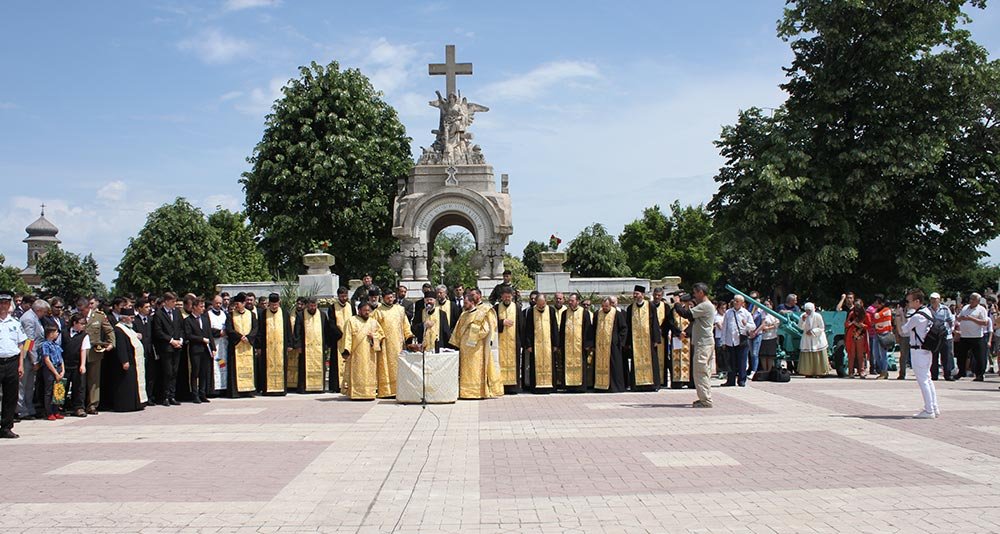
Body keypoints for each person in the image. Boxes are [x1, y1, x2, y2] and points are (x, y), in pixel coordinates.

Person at [452, 290, 503, 399]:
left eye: (466, 303)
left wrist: (473, 337)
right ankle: (466, 392)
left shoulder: (480, 314)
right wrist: (458, 342)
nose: (464, 305)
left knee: (476, 369)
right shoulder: (463, 314)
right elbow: (457, 329)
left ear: (472, 302)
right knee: (465, 370)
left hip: (476, 347)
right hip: (464, 348)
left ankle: (477, 392)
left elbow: (486, 330)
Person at [672, 283, 716, 408]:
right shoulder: (705, 306)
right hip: (704, 343)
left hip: (703, 344)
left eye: (695, 293)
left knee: (700, 372)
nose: (694, 295)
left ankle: (705, 401)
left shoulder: (705, 306)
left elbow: (686, 315)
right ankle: (704, 397)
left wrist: (677, 303)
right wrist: (686, 304)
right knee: (703, 372)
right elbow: (692, 318)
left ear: (701, 292)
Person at [900, 289, 939, 419]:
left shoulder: (917, 316)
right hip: (926, 349)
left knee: (923, 380)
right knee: (927, 379)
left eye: (909, 301)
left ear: (917, 301)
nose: (908, 303)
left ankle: (929, 410)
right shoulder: (927, 312)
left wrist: (900, 316)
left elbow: (904, 330)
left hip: (918, 350)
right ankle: (933, 407)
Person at [372, 288, 415, 398]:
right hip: (385, 345)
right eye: (388, 298)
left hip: (399, 344)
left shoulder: (400, 309)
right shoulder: (378, 312)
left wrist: (409, 336)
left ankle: (400, 390)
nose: (390, 299)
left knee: (399, 366)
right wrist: (378, 339)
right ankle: (386, 391)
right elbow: (373, 327)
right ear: (383, 299)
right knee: (386, 367)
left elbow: (405, 324)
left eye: (391, 297)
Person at [340, 301, 384, 400]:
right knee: (357, 373)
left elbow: (381, 335)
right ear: (359, 311)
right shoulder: (351, 321)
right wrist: (346, 350)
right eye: (365, 310)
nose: (367, 312)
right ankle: (356, 393)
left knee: (369, 373)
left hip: (369, 354)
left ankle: (369, 393)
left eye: (368, 310)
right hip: (356, 354)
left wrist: (374, 336)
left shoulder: (373, 322)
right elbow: (347, 337)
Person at [294, 297, 339, 393]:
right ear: (307, 305)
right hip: (305, 348)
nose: (312, 308)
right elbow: (297, 331)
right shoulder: (301, 315)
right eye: (311, 306)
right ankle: (304, 388)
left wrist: (326, 345)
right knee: (303, 367)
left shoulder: (322, 315)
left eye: (314, 306)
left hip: (319, 347)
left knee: (320, 366)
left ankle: (319, 387)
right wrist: (298, 345)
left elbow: (326, 331)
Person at [0, 291, 28, 438]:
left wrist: (20, 364)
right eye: (1, 303)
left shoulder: (15, 323)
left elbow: (21, 344)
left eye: (6, 303)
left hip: (12, 361)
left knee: (11, 396)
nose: (3, 306)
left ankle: (6, 427)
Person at [625, 286, 662, 391]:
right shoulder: (630, 308)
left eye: (637, 294)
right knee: (635, 361)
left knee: (652, 361)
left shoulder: (650, 306)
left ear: (642, 295)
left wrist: (656, 339)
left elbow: (655, 323)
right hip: (635, 341)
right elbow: (628, 325)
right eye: (634, 293)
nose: (635, 296)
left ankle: (652, 385)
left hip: (649, 340)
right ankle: (637, 385)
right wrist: (628, 342)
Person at [111, 308, 147, 412]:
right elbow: (121, 346)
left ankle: (137, 404)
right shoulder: (119, 329)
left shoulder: (129, 328)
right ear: (124, 318)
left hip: (134, 361)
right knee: (125, 384)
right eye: (131, 318)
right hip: (127, 362)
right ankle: (126, 405)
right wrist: (124, 361)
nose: (133, 320)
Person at [523, 293, 559, 393]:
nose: (541, 307)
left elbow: (554, 327)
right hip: (536, 345)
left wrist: (555, 344)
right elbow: (528, 329)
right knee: (535, 366)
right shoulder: (531, 311)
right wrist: (528, 345)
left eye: (543, 305)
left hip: (548, 345)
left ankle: (550, 387)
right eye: (539, 305)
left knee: (550, 365)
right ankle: (536, 388)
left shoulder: (551, 310)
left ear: (546, 302)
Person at [17, 298, 47, 421]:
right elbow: (29, 341)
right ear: (39, 310)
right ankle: (21, 410)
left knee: (30, 385)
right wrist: (34, 359)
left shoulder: (34, 317)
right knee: (23, 385)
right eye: (44, 312)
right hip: (27, 357)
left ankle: (29, 408)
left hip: (32, 356)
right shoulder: (29, 318)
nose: (44, 315)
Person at [84, 296, 115, 413]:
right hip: (80, 352)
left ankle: (92, 404)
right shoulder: (76, 316)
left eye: (91, 303)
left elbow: (109, 330)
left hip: (94, 352)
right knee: (80, 380)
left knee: (94, 380)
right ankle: (79, 404)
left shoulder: (99, 316)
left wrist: (111, 343)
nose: (90, 306)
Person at [591, 297, 627, 392]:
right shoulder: (597, 314)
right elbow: (593, 329)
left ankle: (614, 386)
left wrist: (619, 341)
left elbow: (624, 328)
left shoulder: (617, 314)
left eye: (606, 306)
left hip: (613, 346)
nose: (604, 308)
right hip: (600, 346)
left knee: (614, 367)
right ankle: (600, 386)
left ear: (610, 305)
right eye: (603, 306)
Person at [152, 293, 182, 406]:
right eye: (173, 301)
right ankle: (165, 396)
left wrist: (180, 340)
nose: (175, 304)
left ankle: (172, 395)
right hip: (166, 347)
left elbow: (181, 327)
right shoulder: (159, 314)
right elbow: (158, 331)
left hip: (177, 346)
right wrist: (171, 340)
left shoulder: (177, 312)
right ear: (166, 302)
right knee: (167, 372)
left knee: (175, 371)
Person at [558, 292, 592, 392]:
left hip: (580, 346)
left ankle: (580, 387)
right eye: (569, 301)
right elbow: (562, 330)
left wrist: (588, 344)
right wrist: (560, 345)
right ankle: (568, 386)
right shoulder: (565, 313)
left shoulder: (584, 313)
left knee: (581, 365)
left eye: (572, 301)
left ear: (577, 301)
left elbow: (588, 329)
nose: (570, 302)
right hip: (567, 346)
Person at [258, 293, 291, 395]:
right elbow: (260, 331)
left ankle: (281, 390)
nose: (274, 307)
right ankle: (267, 390)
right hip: (267, 346)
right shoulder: (263, 314)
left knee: (282, 366)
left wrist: (289, 344)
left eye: (276, 304)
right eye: (272, 305)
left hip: (281, 346)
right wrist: (259, 346)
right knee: (266, 367)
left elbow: (288, 329)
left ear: (279, 303)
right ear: (269, 304)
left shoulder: (284, 313)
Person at [225, 293, 258, 397]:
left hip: (248, 345)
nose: (236, 306)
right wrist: (240, 337)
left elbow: (255, 328)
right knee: (235, 368)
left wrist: (248, 337)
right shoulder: (231, 315)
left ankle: (249, 391)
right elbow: (229, 329)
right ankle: (236, 392)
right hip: (236, 345)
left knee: (249, 367)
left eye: (238, 304)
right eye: (235, 304)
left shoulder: (251, 315)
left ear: (243, 303)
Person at [183, 298, 214, 404]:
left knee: (204, 372)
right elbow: (188, 335)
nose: (203, 309)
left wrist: (213, 348)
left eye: (203, 306)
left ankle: (202, 393)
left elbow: (209, 334)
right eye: (201, 306)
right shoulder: (188, 320)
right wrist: (201, 339)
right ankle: (195, 394)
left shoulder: (205, 319)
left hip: (205, 349)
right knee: (195, 372)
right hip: (195, 349)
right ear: (195, 307)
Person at [720, 295, 754, 387]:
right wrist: (723, 341)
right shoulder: (728, 312)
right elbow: (724, 327)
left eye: (737, 301)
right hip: (730, 340)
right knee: (731, 362)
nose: (735, 302)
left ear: (742, 303)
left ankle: (742, 380)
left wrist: (746, 324)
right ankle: (730, 380)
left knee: (742, 361)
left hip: (741, 340)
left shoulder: (746, 313)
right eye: (734, 301)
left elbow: (753, 326)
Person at [493, 286, 522, 393]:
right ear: (501, 297)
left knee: (515, 364)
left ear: (512, 296)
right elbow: (492, 323)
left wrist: (521, 342)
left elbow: (521, 325)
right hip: (500, 343)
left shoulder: (517, 307)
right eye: (505, 297)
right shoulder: (496, 308)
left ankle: (513, 388)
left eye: (509, 297)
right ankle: (501, 386)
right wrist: (502, 322)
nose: (507, 299)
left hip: (514, 342)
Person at [61, 313, 90, 417]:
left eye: (84, 324)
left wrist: (82, 365)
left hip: (77, 364)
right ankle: (59, 407)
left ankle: (79, 407)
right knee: (62, 385)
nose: (83, 326)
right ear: (74, 323)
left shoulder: (84, 335)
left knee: (79, 386)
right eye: (81, 324)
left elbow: (83, 350)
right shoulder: (63, 333)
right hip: (65, 363)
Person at [955, 292, 988, 381]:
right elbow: (959, 318)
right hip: (964, 336)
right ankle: (961, 372)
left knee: (979, 357)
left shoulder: (981, 309)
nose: (971, 301)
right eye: (971, 299)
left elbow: (985, 322)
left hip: (977, 336)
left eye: (973, 299)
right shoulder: (965, 308)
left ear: (978, 301)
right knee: (961, 356)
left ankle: (979, 375)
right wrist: (960, 318)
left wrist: (971, 318)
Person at [329, 287, 356, 393]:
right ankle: (336, 386)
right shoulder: (333, 307)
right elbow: (331, 323)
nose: (344, 298)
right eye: (342, 296)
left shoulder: (351, 306)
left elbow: (354, 320)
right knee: (336, 363)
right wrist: (340, 334)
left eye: (345, 296)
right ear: (338, 296)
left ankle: (350, 383)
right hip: (338, 339)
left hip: (350, 339)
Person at [666, 293, 695, 389]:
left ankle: (690, 381)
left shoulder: (690, 309)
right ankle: (678, 381)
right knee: (676, 359)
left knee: (689, 359)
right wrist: (678, 333)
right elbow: (670, 323)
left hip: (688, 337)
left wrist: (686, 333)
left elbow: (693, 323)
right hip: (677, 337)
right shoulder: (673, 310)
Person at [39, 325, 65, 421]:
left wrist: (62, 370)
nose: (57, 334)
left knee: (58, 390)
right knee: (49, 391)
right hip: (50, 370)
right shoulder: (45, 345)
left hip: (58, 368)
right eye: (56, 332)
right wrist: (55, 373)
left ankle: (56, 410)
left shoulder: (56, 345)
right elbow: (47, 359)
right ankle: (49, 412)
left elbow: (61, 358)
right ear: (50, 334)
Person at [928, 292, 955, 381]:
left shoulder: (945, 309)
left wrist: (950, 330)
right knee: (933, 356)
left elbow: (951, 320)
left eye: (935, 299)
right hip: (933, 336)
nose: (933, 301)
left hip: (945, 335)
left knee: (947, 355)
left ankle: (948, 374)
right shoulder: (927, 310)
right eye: (932, 299)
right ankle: (934, 375)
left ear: (939, 300)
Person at [797, 303, 829, 377]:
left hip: (817, 338)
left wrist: (813, 331)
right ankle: (808, 372)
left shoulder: (817, 316)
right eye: (806, 310)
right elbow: (800, 327)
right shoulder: (803, 316)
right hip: (807, 338)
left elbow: (822, 327)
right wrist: (803, 320)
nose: (807, 312)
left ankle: (820, 372)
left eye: (809, 310)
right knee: (807, 354)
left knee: (818, 354)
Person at [207, 294, 228, 395]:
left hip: (223, 345)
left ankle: (223, 386)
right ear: (212, 303)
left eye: (220, 303)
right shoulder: (208, 314)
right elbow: (207, 329)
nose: (218, 305)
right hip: (214, 344)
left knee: (222, 364)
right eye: (217, 303)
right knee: (214, 365)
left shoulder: (224, 314)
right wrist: (219, 333)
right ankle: (213, 389)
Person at [869, 295, 893, 379]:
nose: (876, 305)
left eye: (877, 303)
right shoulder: (877, 310)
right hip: (877, 333)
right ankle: (881, 370)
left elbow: (876, 316)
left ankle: (884, 371)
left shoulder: (887, 310)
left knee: (883, 354)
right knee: (875, 353)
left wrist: (874, 314)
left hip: (884, 334)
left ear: (882, 303)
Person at [845, 302, 870, 378]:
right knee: (851, 354)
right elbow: (846, 324)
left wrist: (862, 325)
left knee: (860, 355)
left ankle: (861, 371)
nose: (857, 313)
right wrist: (852, 323)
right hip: (852, 336)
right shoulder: (852, 314)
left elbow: (869, 326)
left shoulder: (865, 315)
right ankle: (850, 372)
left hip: (861, 336)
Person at [652, 288, 670, 386]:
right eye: (655, 295)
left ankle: (662, 381)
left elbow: (668, 320)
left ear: (662, 296)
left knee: (663, 358)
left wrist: (662, 330)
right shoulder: (649, 305)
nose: (657, 297)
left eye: (659, 295)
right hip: (651, 337)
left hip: (662, 335)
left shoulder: (665, 306)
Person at [757, 302, 780, 374]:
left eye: (768, 304)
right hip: (762, 337)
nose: (766, 306)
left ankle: (769, 370)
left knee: (770, 355)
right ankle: (764, 370)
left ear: (771, 306)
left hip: (772, 336)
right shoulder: (761, 314)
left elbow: (777, 324)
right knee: (763, 355)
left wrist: (768, 327)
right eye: (765, 305)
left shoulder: (774, 315)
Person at [894, 301, 912, 379]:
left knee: (916, 355)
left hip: (913, 335)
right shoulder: (899, 312)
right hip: (903, 335)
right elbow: (896, 324)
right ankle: (902, 373)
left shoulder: (912, 311)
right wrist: (897, 335)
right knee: (903, 356)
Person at [713, 301, 727, 379]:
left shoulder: (726, 315)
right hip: (719, 337)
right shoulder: (717, 316)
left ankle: (726, 370)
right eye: (722, 308)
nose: (724, 310)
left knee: (726, 355)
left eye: (725, 308)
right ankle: (720, 370)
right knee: (719, 354)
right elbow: (720, 326)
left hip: (726, 337)